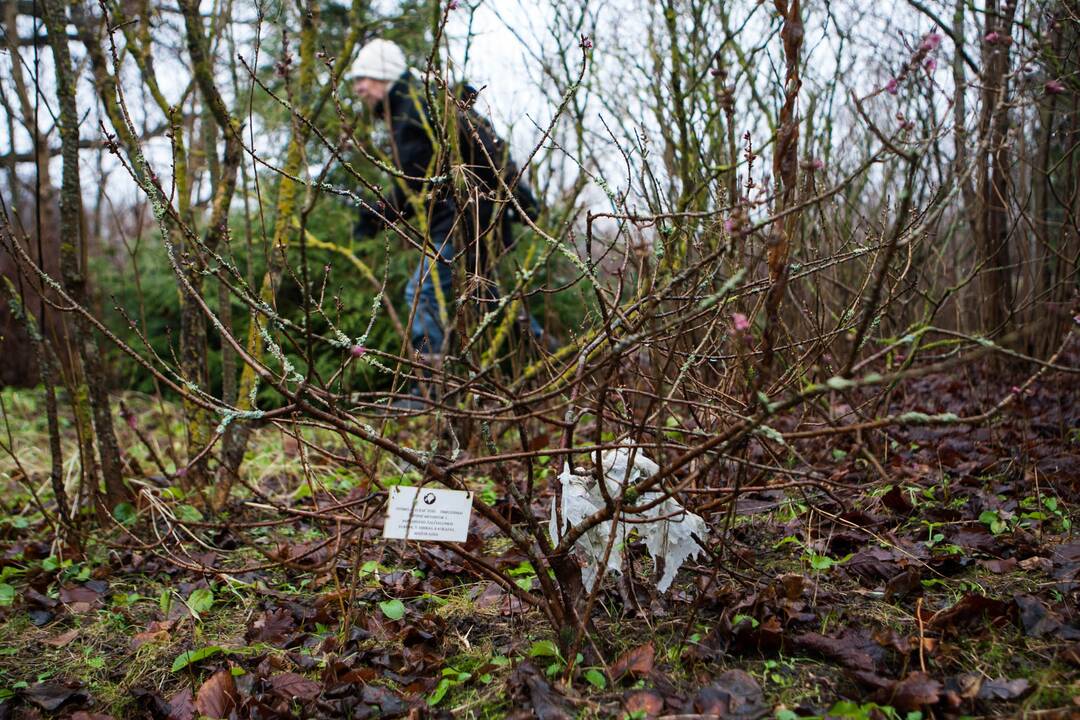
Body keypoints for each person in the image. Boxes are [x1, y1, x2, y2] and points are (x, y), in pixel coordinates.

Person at [349, 38, 543, 362]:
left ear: (384, 77)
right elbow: (489, 147)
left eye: (363, 79)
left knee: (422, 294)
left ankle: (426, 388)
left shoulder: (414, 110)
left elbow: (414, 182)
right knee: (484, 296)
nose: (358, 88)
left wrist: (372, 216)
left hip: (461, 222)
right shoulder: (426, 103)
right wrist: (520, 199)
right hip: (474, 220)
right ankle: (545, 356)